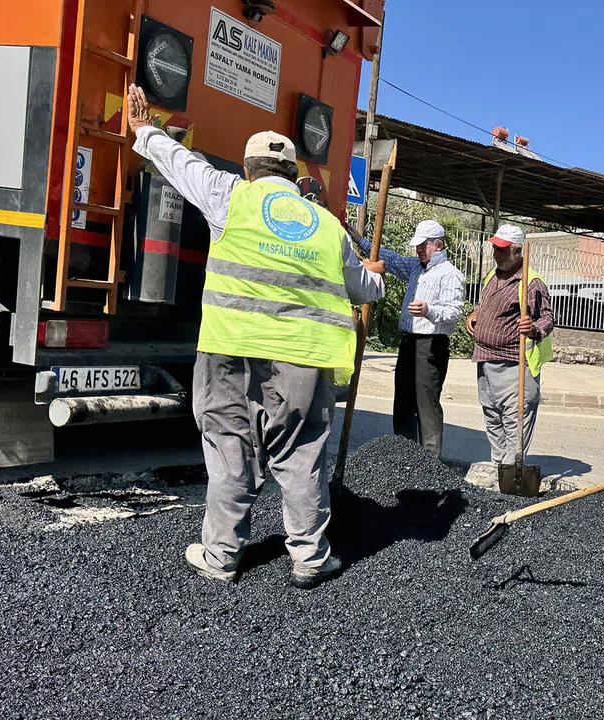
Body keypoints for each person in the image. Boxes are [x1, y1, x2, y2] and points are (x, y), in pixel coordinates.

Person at [125, 84, 385, 588]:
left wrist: (144, 132)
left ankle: (221, 555)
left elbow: (182, 165)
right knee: (302, 450)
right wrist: (374, 271)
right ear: (294, 174)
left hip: (229, 349)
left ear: (248, 170)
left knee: (229, 445)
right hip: (302, 359)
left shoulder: (230, 196)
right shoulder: (327, 226)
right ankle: (310, 558)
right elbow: (362, 286)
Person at [355, 220, 465, 457]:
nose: (418, 250)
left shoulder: (450, 274)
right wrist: (361, 241)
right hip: (409, 342)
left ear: (438, 245)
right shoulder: (416, 267)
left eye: (423, 245)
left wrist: (429, 310)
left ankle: (429, 461)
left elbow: (455, 311)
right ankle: (404, 456)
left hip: (431, 344)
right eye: (418, 245)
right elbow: (391, 259)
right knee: (403, 401)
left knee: (426, 403)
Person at [465, 224, 554, 467]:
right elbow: (487, 305)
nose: (495, 254)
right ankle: (498, 466)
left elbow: (547, 318)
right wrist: (475, 314)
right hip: (484, 358)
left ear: (517, 251)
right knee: (491, 414)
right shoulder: (492, 276)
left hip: (513, 363)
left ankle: (511, 469)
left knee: (514, 418)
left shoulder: (531, 282)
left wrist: (533, 329)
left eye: (502, 250)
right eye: (495, 248)